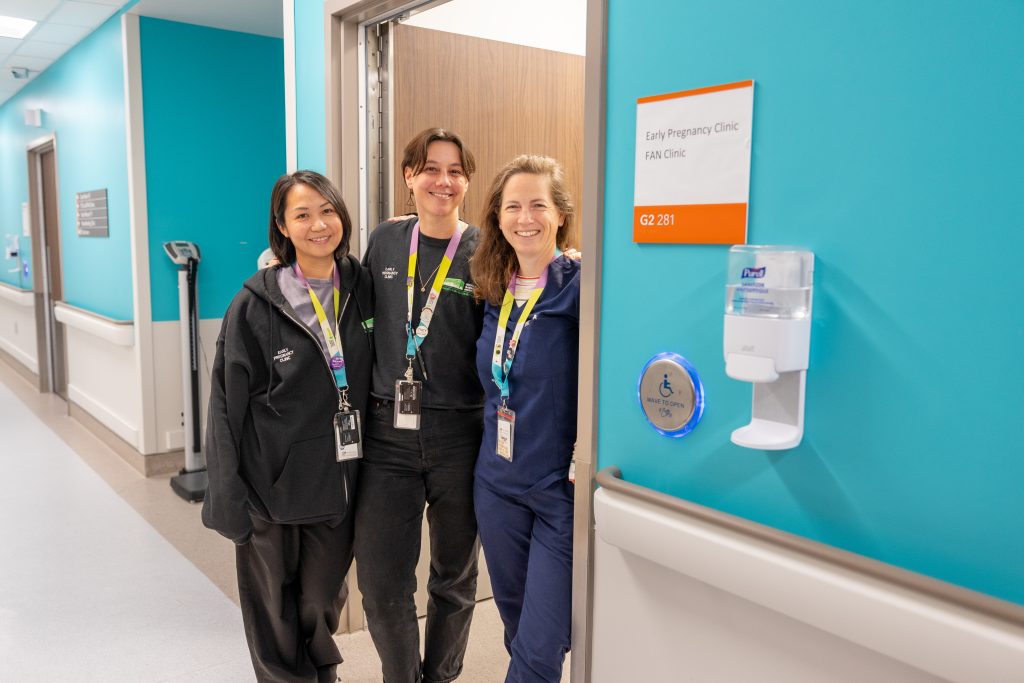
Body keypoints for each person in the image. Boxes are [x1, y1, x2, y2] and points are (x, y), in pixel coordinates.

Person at [202, 170, 373, 683]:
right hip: (268, 489)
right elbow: (223, 406)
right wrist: (228, 492)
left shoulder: (363, 286)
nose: (319, 224)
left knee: (322, 601)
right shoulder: (254, 304)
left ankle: (322, 674)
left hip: (338, 482)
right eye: (303, 214)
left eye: (327, 210)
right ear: (282, 225)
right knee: (273, 612)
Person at [354, 128, 484, 683]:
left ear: (466, 181)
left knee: (453, 575)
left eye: (455, 171)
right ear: (409, 176)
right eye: (430, 168)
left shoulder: (485, 248)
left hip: (461, 433)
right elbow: (356, 321)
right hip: (388, 432)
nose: (443, 181)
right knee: (382, 582)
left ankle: (442, 675)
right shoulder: (385, 241)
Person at [469, 155, 580, 683]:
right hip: (495, 484)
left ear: (559, 214)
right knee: (517, 629)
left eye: (538, 204)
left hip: (556, 489)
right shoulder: (489, 289)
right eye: (513, 206)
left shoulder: (581, 288)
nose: (525, 217)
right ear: (498, 217)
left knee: (540, 645)